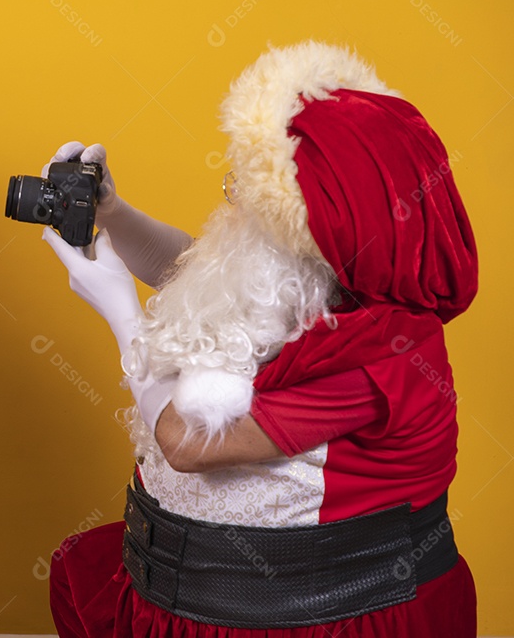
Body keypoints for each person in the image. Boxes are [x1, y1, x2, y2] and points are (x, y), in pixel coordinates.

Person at [42, 41, 477, 636]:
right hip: (180, 590)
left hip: (310, 617)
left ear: (324, 228)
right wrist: (113, 212)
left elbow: (187, 444)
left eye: (252, 196)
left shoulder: (386, 355)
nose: (236, 200)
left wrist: (124, 315)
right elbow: (198, 274)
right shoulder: (311, 277)